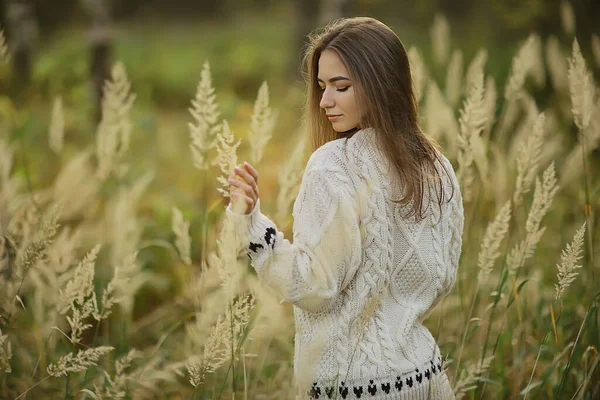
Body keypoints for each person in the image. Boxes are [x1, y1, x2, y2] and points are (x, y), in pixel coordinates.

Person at [226, 16, 463, 400]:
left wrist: (253, 228)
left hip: (351, 387)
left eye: (342, 86)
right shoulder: (436, 164)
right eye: (322, 87)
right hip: (425, 377)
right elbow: (444, 276)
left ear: (382, 85)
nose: (324, 101)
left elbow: (314, 286)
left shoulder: (334, 165)